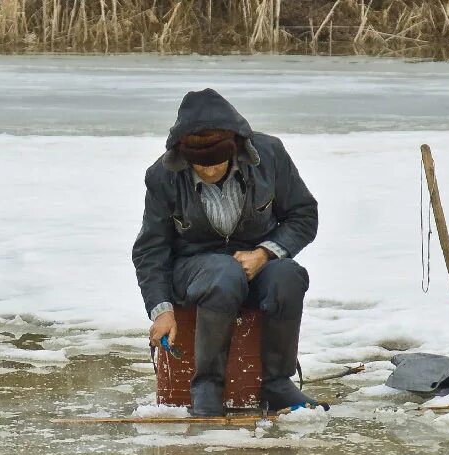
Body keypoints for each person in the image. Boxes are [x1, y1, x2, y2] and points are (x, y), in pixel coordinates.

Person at [132, 88, 319, 416]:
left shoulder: (270, 155)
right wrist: (161, 310)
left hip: (258, 261)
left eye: (215, 163)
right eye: (198, 166)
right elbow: (151, 249)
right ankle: (207, 386)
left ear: (235, 150)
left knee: (289, 274)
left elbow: (303, 215)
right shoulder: (162, 176)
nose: (207, 171)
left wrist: (264, 254)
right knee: (224, 273)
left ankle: (277, 383)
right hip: (194, 268)